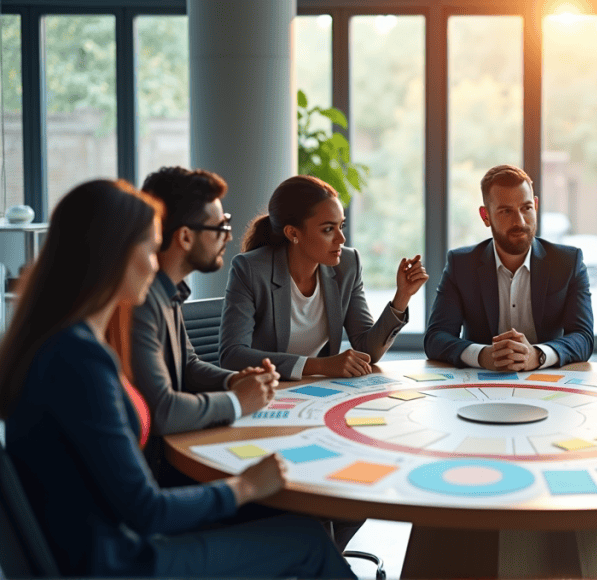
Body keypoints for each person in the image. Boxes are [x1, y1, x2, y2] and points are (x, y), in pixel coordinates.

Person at [0, 179, 353, 578]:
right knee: (305, 541)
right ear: (112, 255)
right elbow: (146, 509)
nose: (154, 265)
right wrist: (246, 487)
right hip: (119, 561)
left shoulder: (63, 342)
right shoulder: (79, 359)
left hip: (102, 544)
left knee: (298, 523)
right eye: (150, 249)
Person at [131, 166, 277, 480]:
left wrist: (234, 381)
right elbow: (163, 411)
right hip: (161, 472)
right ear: (185, 236)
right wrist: (237, 401)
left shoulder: (168, 293)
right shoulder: (142, 302)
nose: (228, 235)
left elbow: (189, 365)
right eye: (220, 225)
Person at [220, 174, 427, 379]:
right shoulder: (250, 269)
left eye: (341, 226)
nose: (341, 238)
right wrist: (319, 365)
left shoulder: (348, 265)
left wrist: (402, 296)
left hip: (313, 392)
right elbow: (232, 355)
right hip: (267, 389)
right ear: (293, 233)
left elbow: (367, 350)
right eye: (328, 229)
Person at [423, 164, 594, 370]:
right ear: (485, 216)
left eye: (526, 208)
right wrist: (482, 355)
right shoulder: (461, 265)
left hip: (547, 381)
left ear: (536, 206)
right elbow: (436, 338)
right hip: (481, 384)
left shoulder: (568, 262)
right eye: (506, 211)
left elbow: (583, 338)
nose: (519, 221)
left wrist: (538, 355)